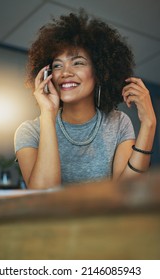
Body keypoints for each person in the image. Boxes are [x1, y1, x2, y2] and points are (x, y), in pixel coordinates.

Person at [14, 10, 156, 189]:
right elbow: (43, 195)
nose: (65, 73)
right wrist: (48, 115)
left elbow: (126, 193)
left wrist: (149, 124)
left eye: (77, 62)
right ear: (48, 75)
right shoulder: (30, 132)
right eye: (58, 65)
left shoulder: (118, 123)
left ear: (99, 72)